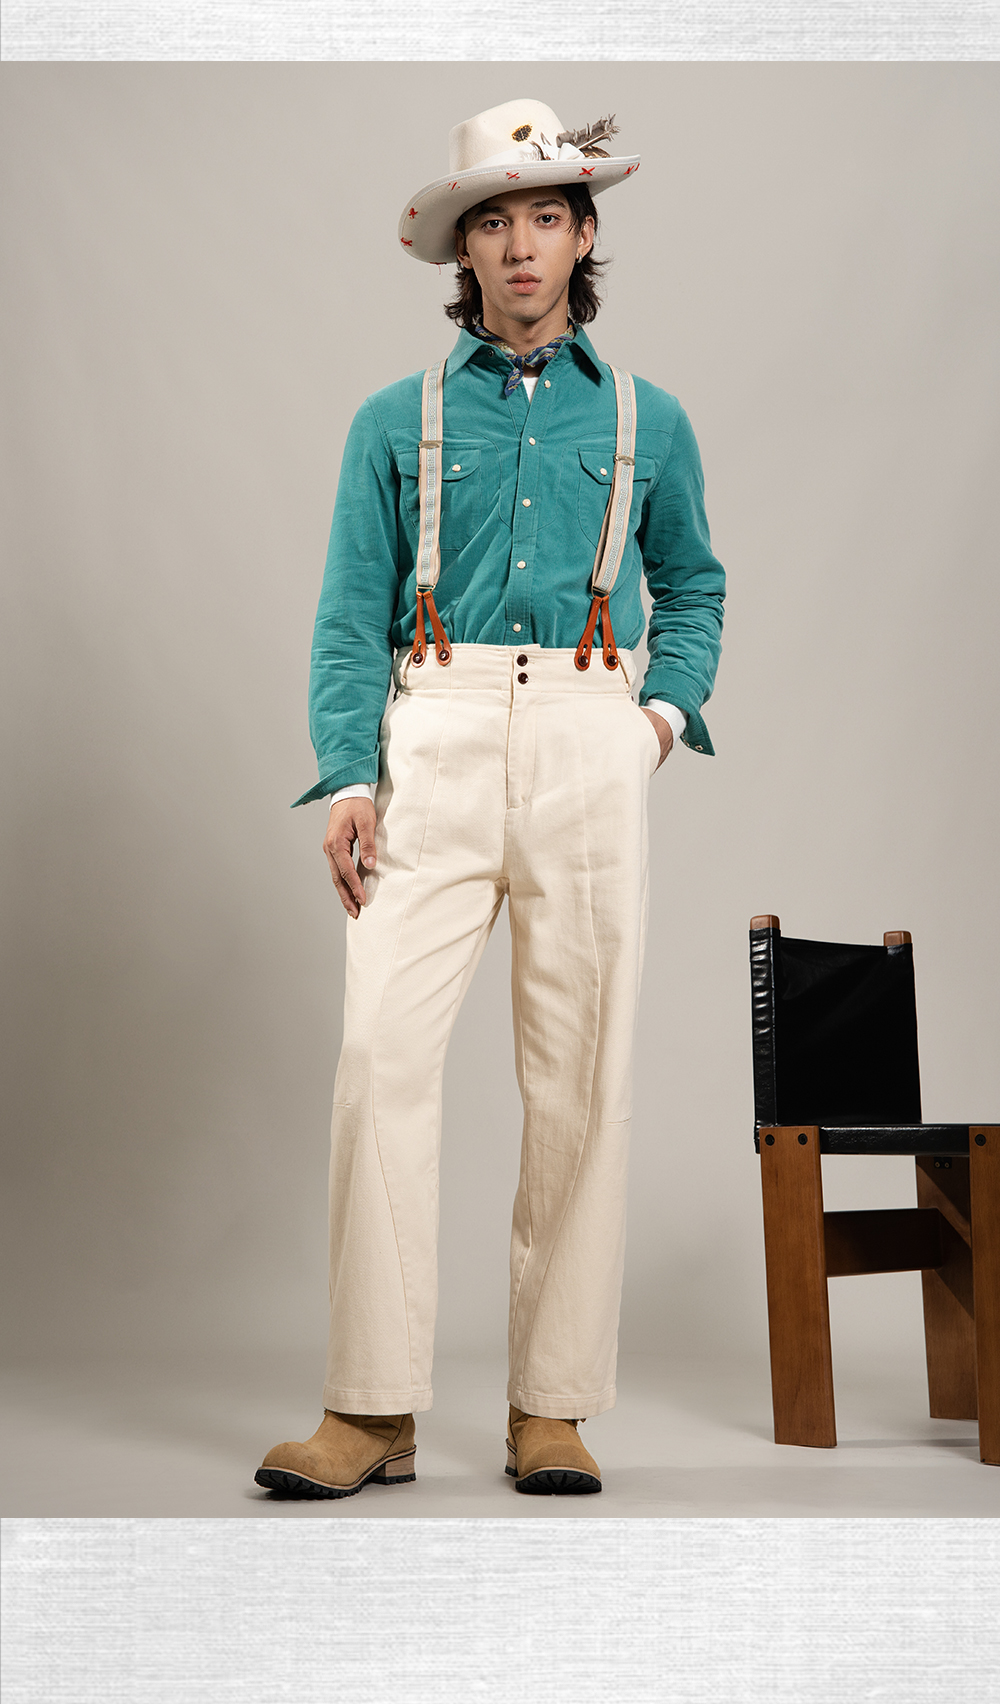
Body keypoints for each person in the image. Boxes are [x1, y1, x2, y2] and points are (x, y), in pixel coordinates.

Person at [256, 98, 725, 1499]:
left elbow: (694, 588)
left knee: (583, 1071)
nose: (521, 245)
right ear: (462, 250)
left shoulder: (649, 418)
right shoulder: (391, 420)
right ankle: (371, 1408)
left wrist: (651, 721)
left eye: (546, 216)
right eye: (495, 221)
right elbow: (351, 613)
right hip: (436, 733)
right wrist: (350, 775)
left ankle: (552, 1407)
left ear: (583, 237)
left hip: (587, 730)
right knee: (379, 1059)